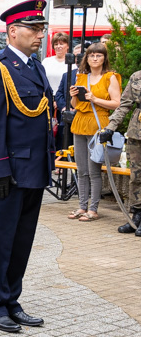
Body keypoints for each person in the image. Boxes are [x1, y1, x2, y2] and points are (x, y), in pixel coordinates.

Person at [0, 0, 54, 333]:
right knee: (0, 239)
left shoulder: (34, 66)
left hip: (34, 167)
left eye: (41, 29)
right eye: (33, 29)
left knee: (22, 240)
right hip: (10, 170)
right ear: (12, 32)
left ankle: (11, 298)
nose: (40, 34)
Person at [68, 43, 121, 222]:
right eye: (91, 55)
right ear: (87, 58)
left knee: (94, 170)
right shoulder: (81, 77)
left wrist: (95, 98)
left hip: (99, 125)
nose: (95, 58)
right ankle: (82, 206)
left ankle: (93, 209)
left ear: (104, 58)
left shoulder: (110, 77)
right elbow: (75, 106)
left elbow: (117, 104)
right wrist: (73, 95)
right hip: (80, 122)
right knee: (81, 169)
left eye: (99, 55)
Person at [100, 70, 141, 236]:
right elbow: (124, 104)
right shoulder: (136, 76)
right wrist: (110, 128)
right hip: (137, 133)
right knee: (136, 176)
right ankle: (136, 216)